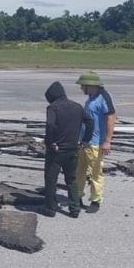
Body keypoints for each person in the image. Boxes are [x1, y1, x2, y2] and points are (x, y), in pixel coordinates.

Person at [43, 81, 94, 218]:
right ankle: (74, 208)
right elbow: (90, 121)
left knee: (51, 179)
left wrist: (50, 142)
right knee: (71, 180)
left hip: (56, 150)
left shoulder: (53, 108)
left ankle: (51, 208)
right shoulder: (77, 107)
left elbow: (50, 125)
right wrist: (85, 140)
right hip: (72, 149)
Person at [76, 71, 116, 214]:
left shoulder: (103, 97)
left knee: (95, 172)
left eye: (83, 86)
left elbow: (111, 118)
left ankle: (95, 200)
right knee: (79, 171)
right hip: (84, 142)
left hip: (96, 143)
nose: (81, 89)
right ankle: (78, 196)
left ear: (90, 86)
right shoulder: (91, 97)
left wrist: (107, 141)